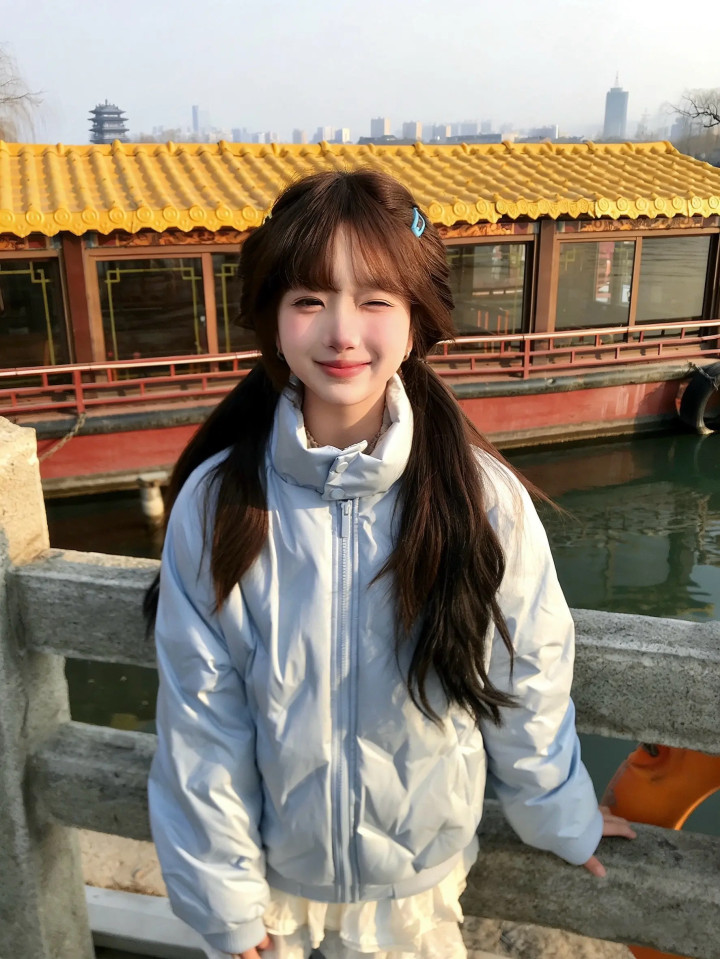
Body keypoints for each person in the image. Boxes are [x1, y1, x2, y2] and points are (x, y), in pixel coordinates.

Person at [146, 169, 635, 959]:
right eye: (309, 299)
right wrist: (225, 906)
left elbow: (527, 674)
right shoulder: (217, 504)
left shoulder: (481, 499)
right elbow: (201, 720)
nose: (342, 332)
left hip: (417, 902)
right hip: (274, 900)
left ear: (416, 321)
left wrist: (562, 815)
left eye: (375, 299)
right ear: (273, 319)